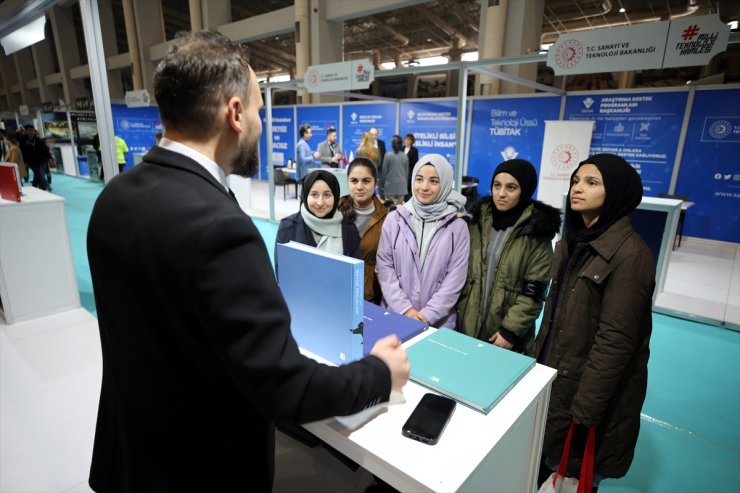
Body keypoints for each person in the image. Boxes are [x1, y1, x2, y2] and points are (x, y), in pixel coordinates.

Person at [86, 30, 409, 492]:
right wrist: (379, 374)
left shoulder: (114, 197)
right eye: (259, 108)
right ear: (234, 113)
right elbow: (287, 389)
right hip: (198, 471)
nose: (260, 121)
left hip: (131, 459)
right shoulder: (220, 227)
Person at [534, 154, 655, 491]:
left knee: (571, 475)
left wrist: (586, 409)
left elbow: (615, 341)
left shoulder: (631, 255)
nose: (578, 188)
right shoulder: (574, 241)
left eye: (591, 182)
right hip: (556, 379)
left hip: (586, 396)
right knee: (542, 468)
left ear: (615, 192)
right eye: (576, 181)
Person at [456, 159, 560, 354]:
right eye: (497, 186)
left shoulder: (536, 231)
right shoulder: (476, 221)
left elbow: (535, 292)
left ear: (525, 190)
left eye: (511, 187)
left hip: (505, 337)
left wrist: (510, 331)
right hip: (466, 328)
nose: (501, 193)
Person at [376, 154, 469, 329]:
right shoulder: (394, 218)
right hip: (395, 315)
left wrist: (427, 315)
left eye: (434, 181)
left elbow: (455, 277)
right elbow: (384, 266)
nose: (424, 187)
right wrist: (405, 309)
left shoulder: (458, 226)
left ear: (446, 184)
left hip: (439, 323)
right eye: (419, 179)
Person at [276, 169, 360, 263]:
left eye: (327, 195)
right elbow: (282, 271)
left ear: (335, 196)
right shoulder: (288, 227)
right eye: (314, 195)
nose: (320, 203)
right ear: (305, 195)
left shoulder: (349, 230)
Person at [338, 158, 390, 304]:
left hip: (371, 296)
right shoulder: (335, 212)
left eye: (366, 181)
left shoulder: (387, 218)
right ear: (347, 182)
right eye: (354, 181)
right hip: (338, 290)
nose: (359, 186)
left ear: (376, 183)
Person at [19, 125, 51, 191]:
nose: (31, 132)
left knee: (39, 173)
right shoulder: (22, 141)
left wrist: (50, 157)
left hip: (42, 160)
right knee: (39, 172)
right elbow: (22, 153)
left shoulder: (38, 140)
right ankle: (46, 186)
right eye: (29, 130)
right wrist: (24, 162)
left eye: (32, 130)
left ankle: (35, 185)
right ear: (26, 131)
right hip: (31, 161)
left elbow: (45, 149)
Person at [380, 134, 409, 205]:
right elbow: (407, 173)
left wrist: (382, 185)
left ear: (392, 144)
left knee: (390, 210)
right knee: (399, 210)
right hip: (401, 187)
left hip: (390, 187)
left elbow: (384, 172)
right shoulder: (405, 156)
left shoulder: (388, 155)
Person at [403, 133, 418, 201]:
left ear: (412, 141)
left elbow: (415, 162)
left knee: (408, 188)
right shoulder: (401, 148)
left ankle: (407, 201)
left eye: (408, 140)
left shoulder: (414, 150)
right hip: (401, 171)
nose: (406, 141)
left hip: (409, 172)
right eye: (405, 139)